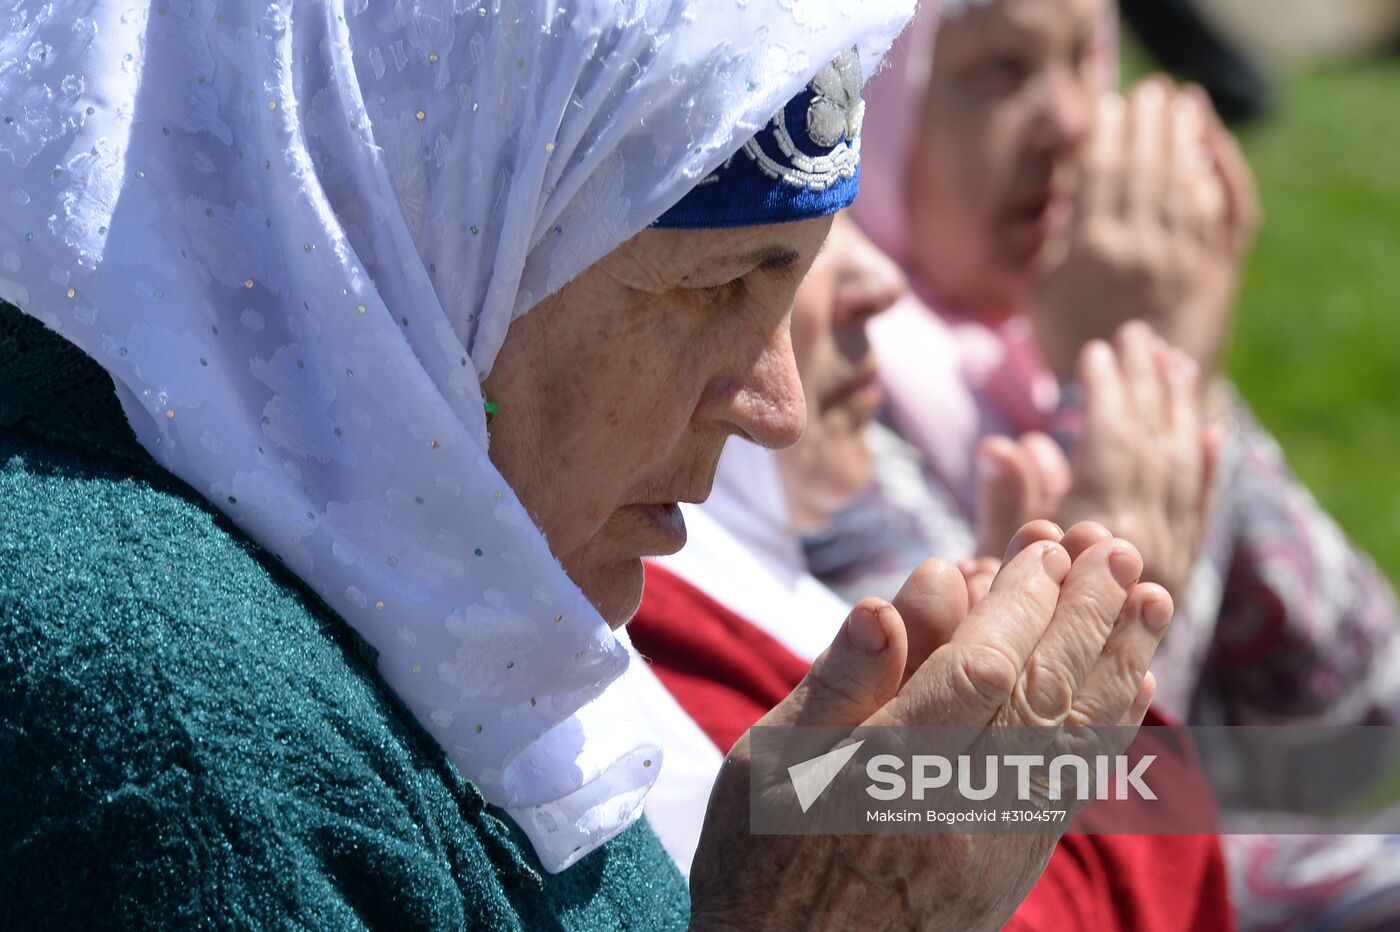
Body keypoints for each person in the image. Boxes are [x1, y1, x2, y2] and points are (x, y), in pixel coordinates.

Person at [0, 1, 1178, 929]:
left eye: (788, 286)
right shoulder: (180, 744)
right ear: (416, 248)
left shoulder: (429, 599)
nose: (776, 404)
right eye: (710, 287)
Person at [831, 0, 1400, 925]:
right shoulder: (826, 394)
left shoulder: (1059, 321)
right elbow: (973, 816)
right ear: (873, 98)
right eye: (1001, 71)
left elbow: (1356, 719)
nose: (1073, 121)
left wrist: (1176, 380)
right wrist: (1103, 411)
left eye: (1082, 59)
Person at [630, 214, 1235, 931]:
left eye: (849, 214)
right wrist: (1096, 669)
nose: (885, 285)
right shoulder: (637, 633)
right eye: (744, 257)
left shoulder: (744, 579)